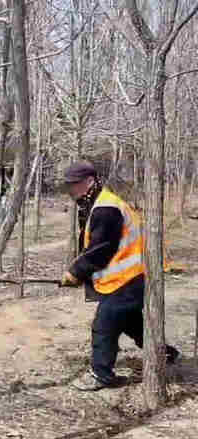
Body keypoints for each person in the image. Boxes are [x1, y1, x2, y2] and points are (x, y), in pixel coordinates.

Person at [60, 161, 180, 391]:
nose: (70, 190)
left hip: (131, 276)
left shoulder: (106, 208)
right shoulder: (98, 204)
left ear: (90, 181)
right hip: (131, 275)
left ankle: (100, 374)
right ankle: (164, 354)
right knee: (130, 322)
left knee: (105, 324)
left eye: (74, 184)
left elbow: (101, 249)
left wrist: (75, 273)